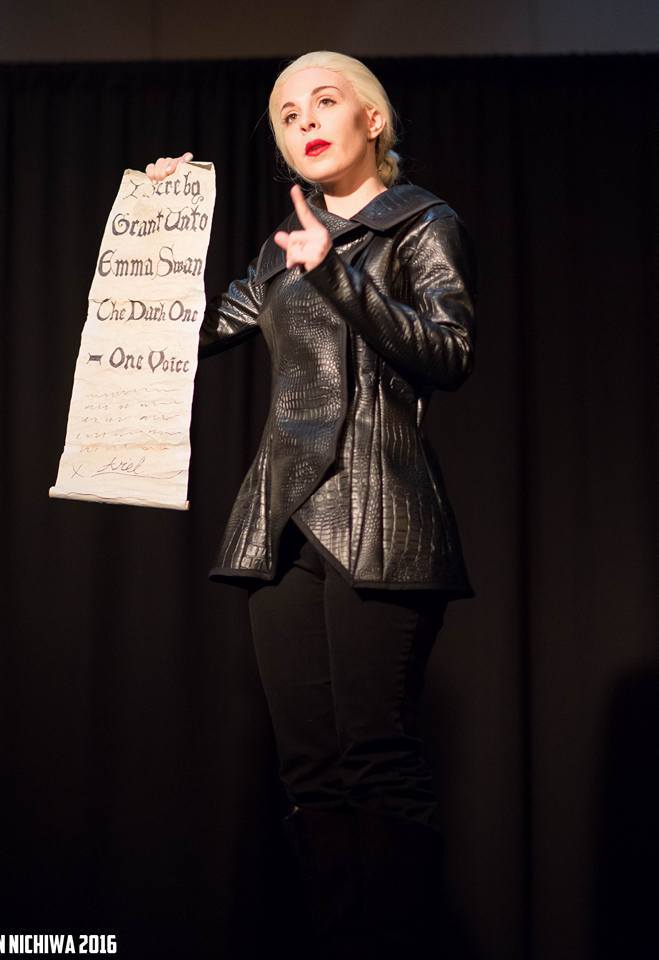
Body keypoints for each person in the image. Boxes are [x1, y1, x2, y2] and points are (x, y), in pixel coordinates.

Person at [147, 50, 477, 959]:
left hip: (380, 515)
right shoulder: (275, 250)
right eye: (287, 115)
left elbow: (450, 353)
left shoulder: (422, 223)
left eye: (324, 102)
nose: (305, 123)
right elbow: (181, 337)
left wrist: (337, 273)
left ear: (373, 119)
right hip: (281, 521)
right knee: (309, 773)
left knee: (376, 757)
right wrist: (159, 224)